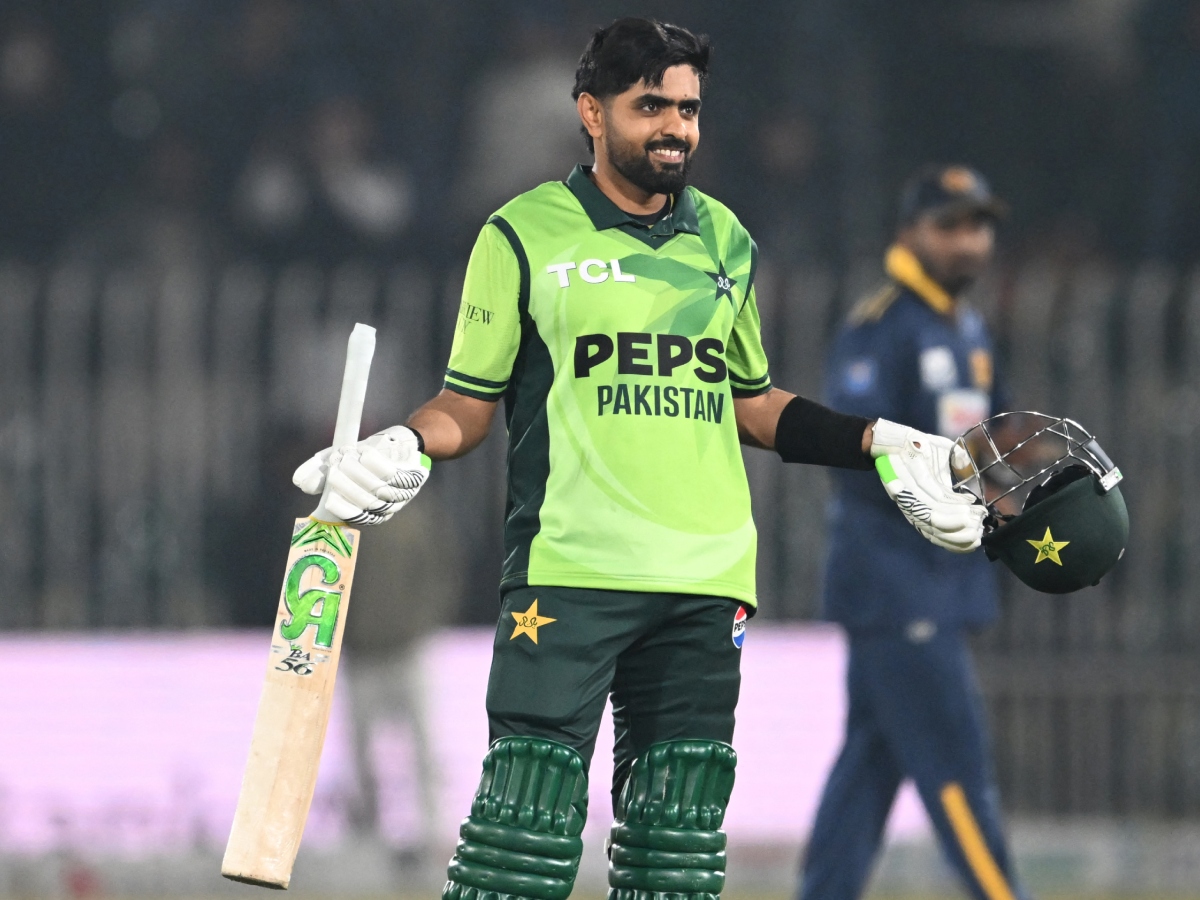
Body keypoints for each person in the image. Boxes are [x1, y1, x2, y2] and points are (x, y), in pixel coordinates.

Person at [292, 22, 983, 900]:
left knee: (676, 854)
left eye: (688, 109)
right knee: (520, 839)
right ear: (592, 111)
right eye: (650, 106)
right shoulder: (521, 234)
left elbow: (751, 403)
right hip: (570, 571)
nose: (675, 128)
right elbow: (467, 403)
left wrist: (876, 442)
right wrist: (405, 445)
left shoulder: (725, 240)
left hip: (705, 577)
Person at [799, 165, 1028, 900]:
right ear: (910, 234)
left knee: (869, 768)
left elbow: (992, 439)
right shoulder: (883, 325)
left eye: (979, 226)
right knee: (956, 768)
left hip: (940, 583)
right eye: (950, 226)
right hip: (896, 586)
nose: (969, 242)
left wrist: (1027, 477)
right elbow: (854, 452)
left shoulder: (967, 326)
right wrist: (957, 492)